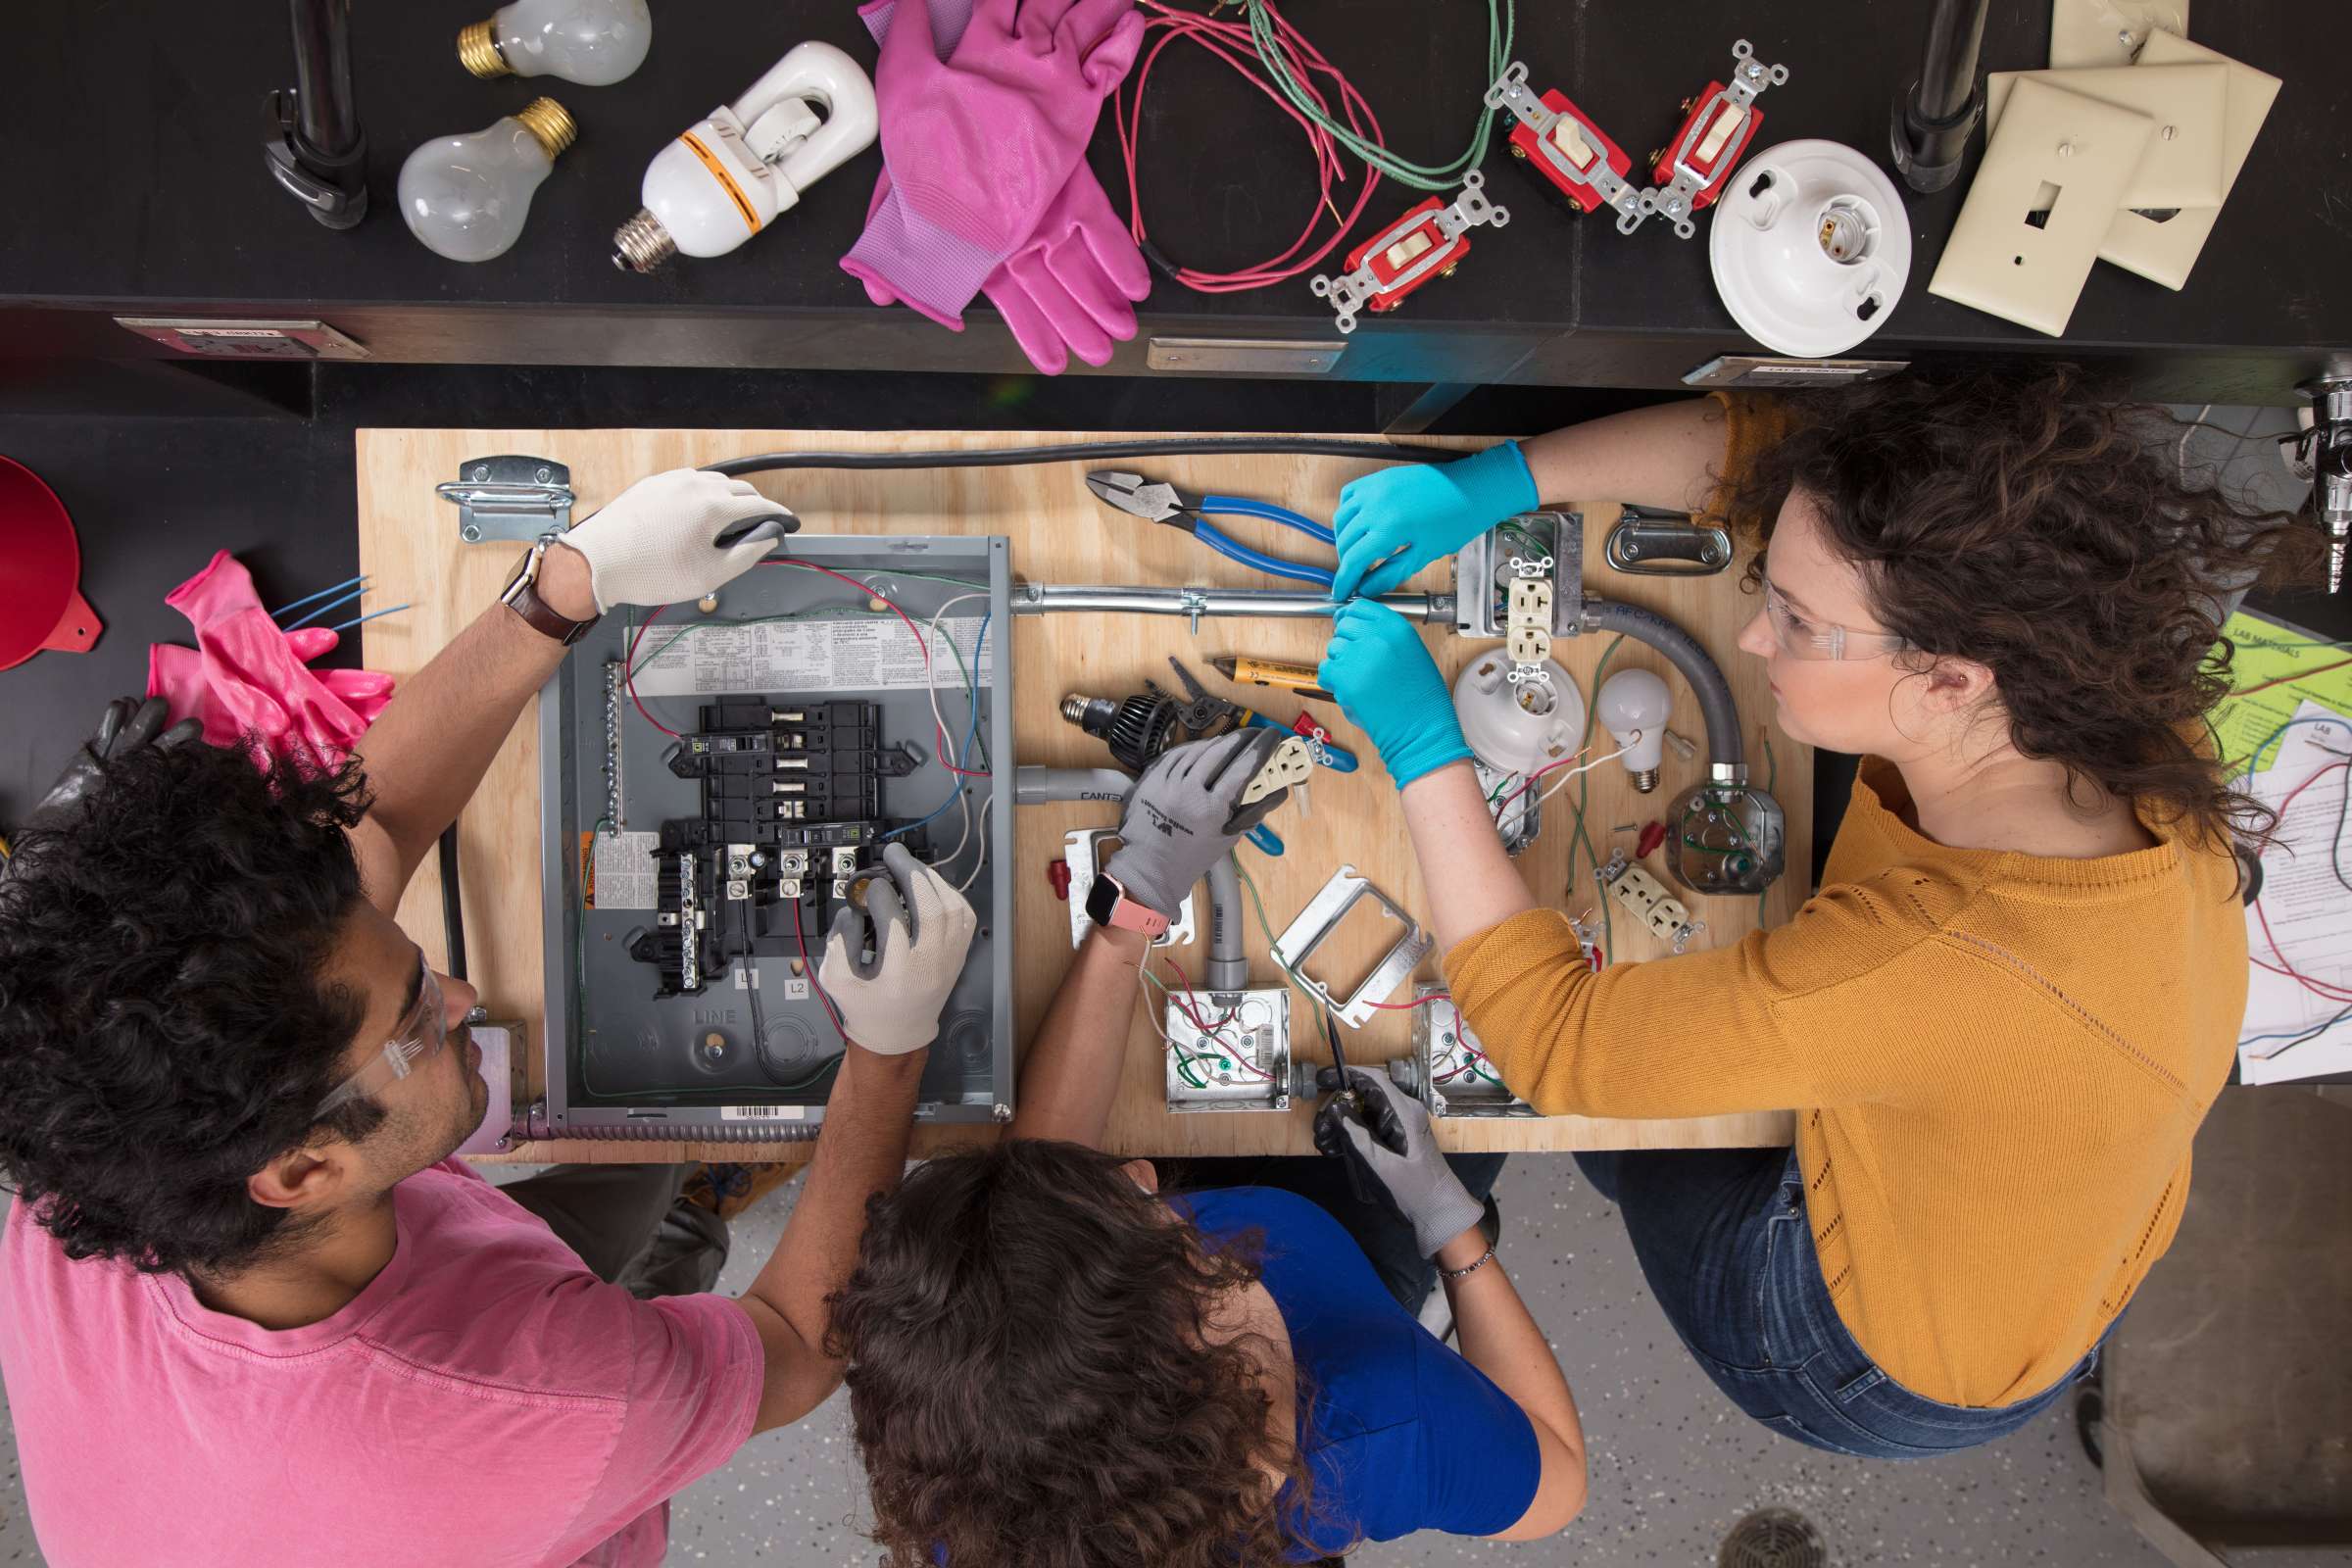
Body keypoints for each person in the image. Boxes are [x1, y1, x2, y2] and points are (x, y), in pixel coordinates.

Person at [1316, 370, 2323, 1458]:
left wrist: (1426, 753)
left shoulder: (1939, 958)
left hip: (1866, 1361)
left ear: (1948, 677)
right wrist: (1503, 481)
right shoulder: (2113, 708)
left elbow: (1562, 1046)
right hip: (2024, 1229)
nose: (1751, 637)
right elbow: (1787, 463)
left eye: (1795, 621)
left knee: (1635, 1132)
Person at [0, 469, 980, 1566]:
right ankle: (687, 1236)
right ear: (308, 1168)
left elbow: (366, 845)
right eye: (419, 1019)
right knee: (652, 1307)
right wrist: (892, 1046)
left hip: (442, 1284)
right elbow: (796, 1344)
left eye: (418, 968)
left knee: (639, 1156)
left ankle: (684, 1195)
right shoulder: (543, 1402)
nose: (463, 996)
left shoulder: (88, 1151)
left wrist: (564, 588)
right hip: (506, 1445)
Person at [825, 729, 1590, 1566]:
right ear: (1195, 1376)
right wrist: (1452, 1227)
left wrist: (1129, 914)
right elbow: (1558, 1481)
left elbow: (1033, 1230)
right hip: (1358, 1272)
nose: (1141, 1171)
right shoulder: (1375, 1428)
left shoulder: (964, 1478)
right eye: (1137, 1210)